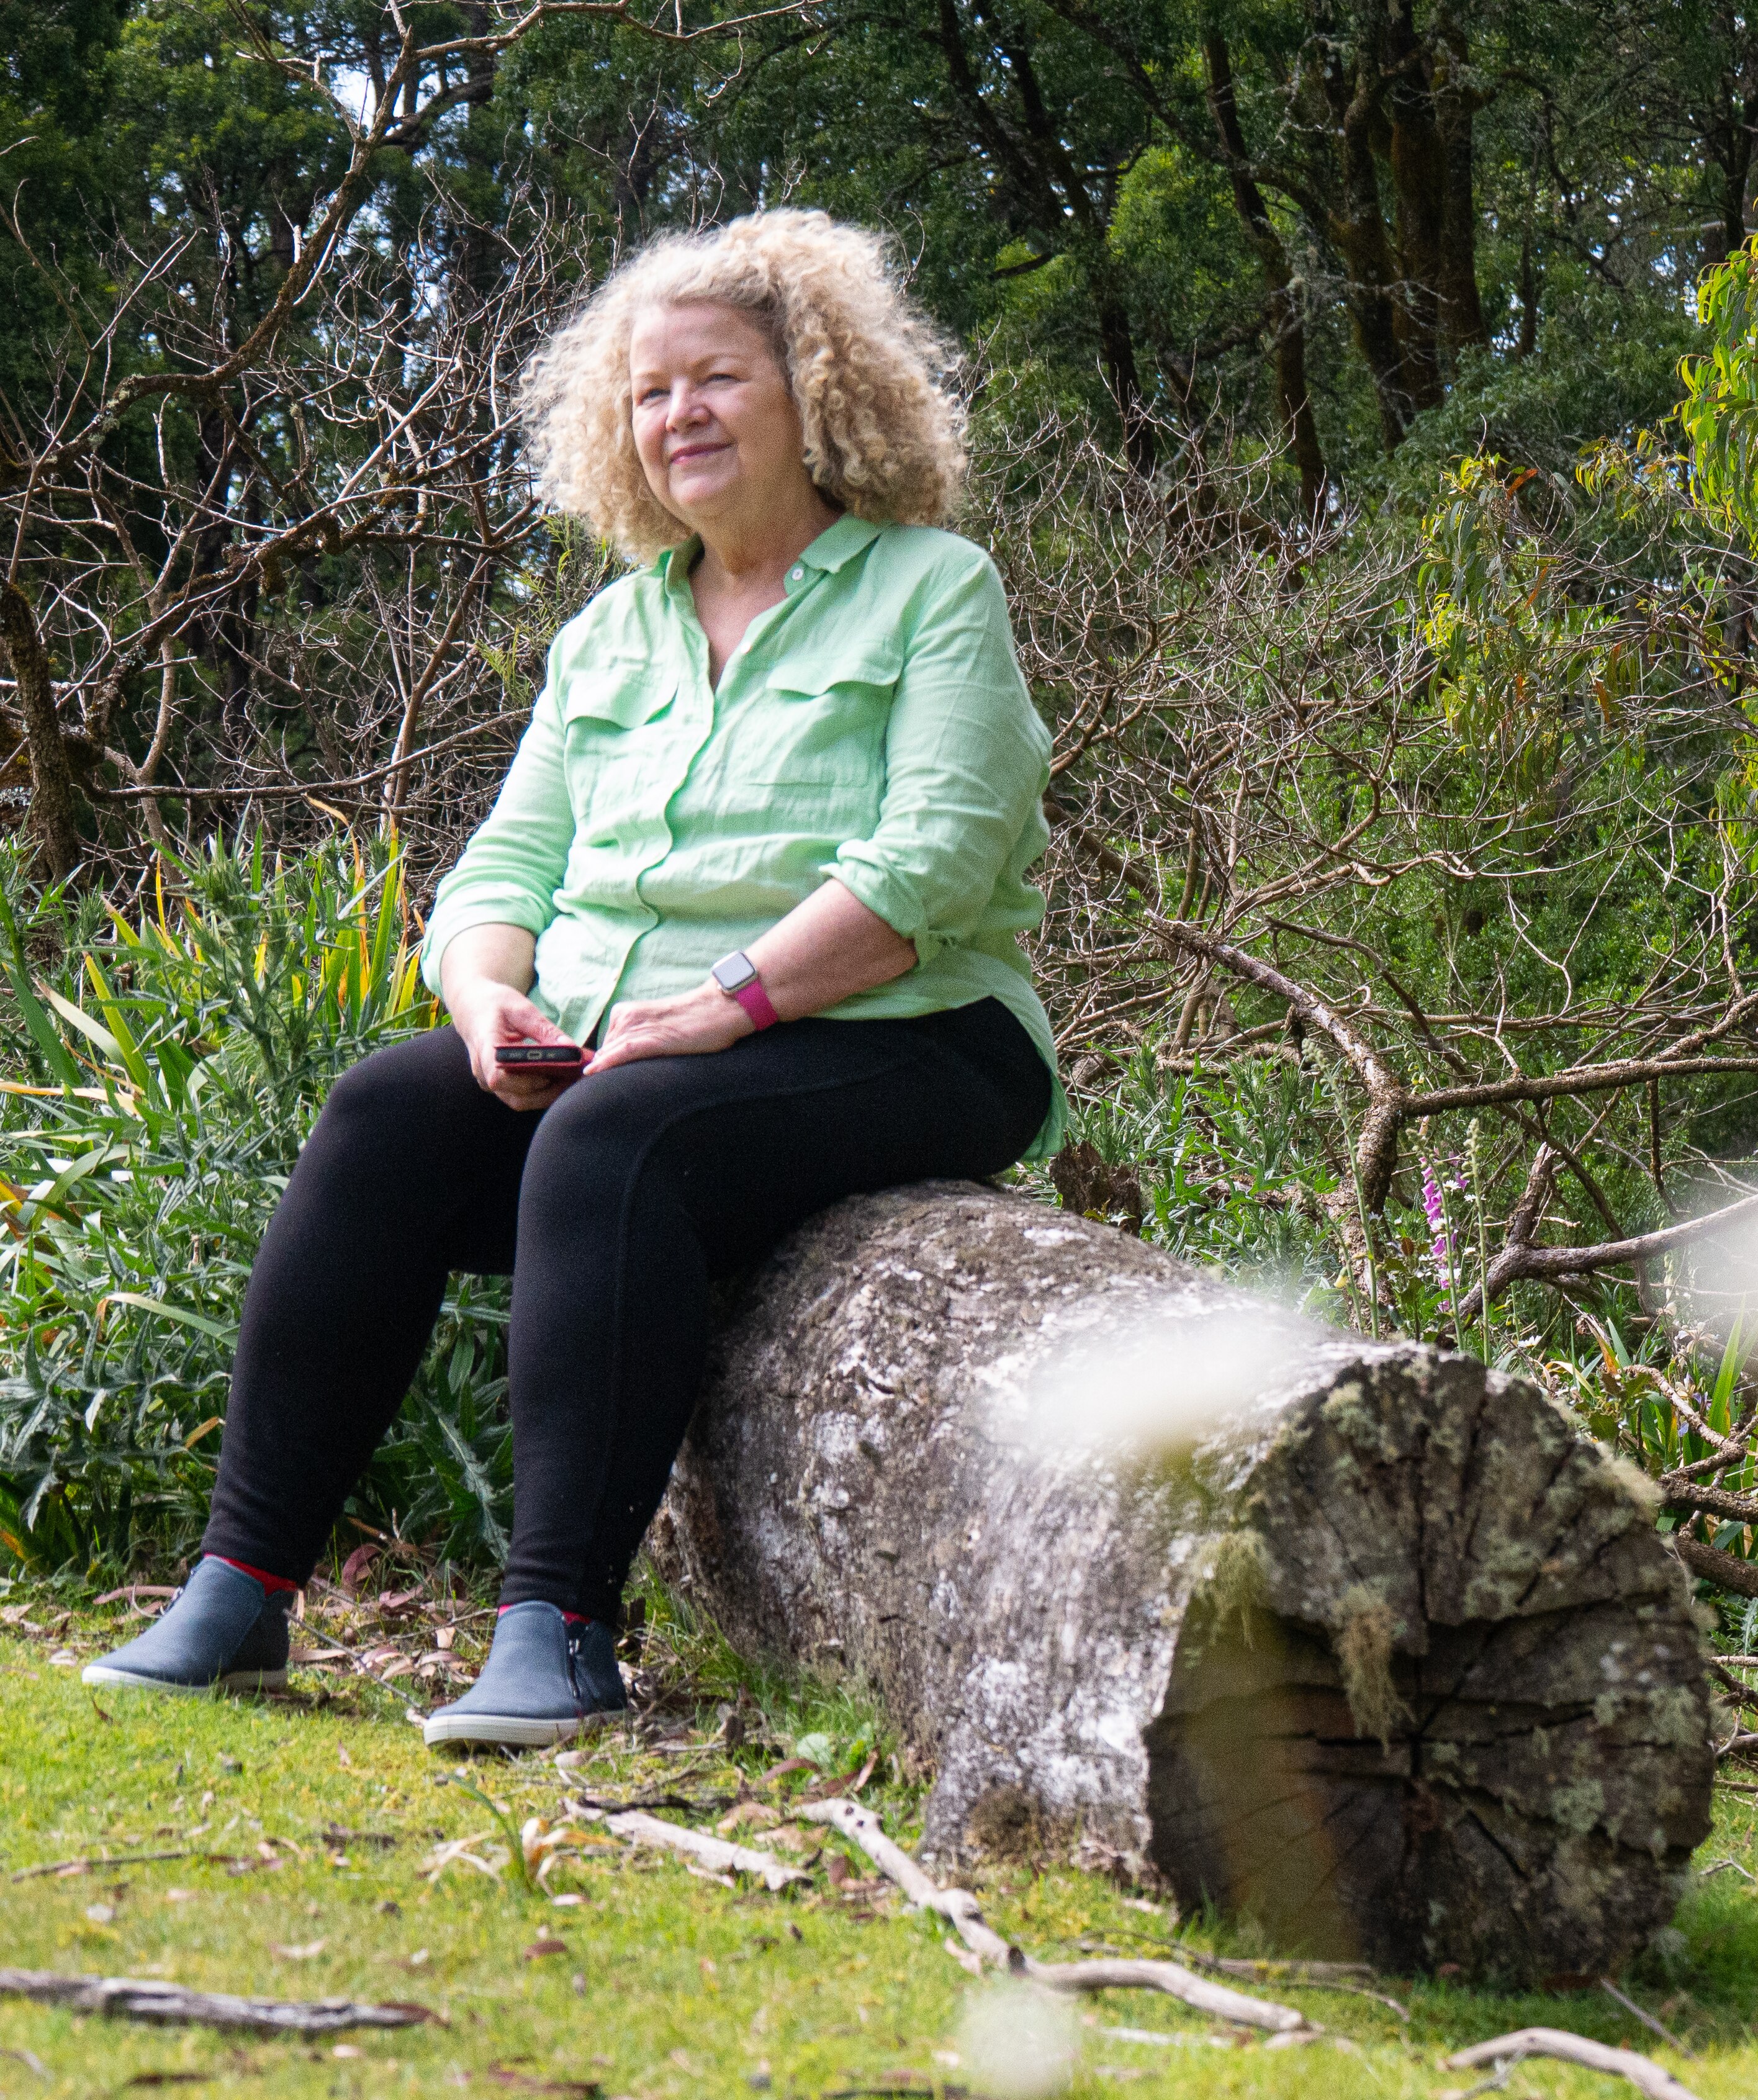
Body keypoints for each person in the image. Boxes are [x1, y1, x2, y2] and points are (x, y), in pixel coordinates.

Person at [86, 211, 1065, 1746]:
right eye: (649, 390)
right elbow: (499, 877)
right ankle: (242, 1585)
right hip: (643, 1055)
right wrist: (489, 1004)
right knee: (387, 1111)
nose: (678, 413)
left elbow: (928, 866)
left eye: (718, 378)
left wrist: (729, 1002)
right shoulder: (612, 635)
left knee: (623, 1138)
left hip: (905, 1034)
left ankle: (555, 1632)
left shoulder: (932, 589)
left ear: (814, 389)